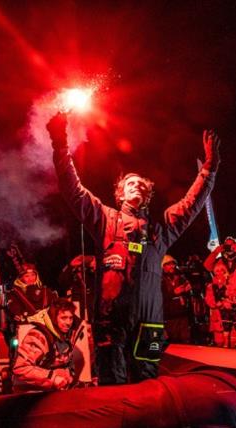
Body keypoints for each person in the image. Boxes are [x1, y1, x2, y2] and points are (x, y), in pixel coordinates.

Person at [47, 112, 219, 384]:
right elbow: (73, 189)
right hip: (111, 320)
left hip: (150, 323)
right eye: (130, 183)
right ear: (120, 194)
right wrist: (60, 142)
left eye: (141, 183)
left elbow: (191, 203)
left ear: (147, 195)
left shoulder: (160, 230)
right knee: (112, 381)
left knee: (149, 378)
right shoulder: (104, 219)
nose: (136, 184)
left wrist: (209, 169)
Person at [12, 298, 80, 392]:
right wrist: (53, 378)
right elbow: (21, 368)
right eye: (63, 318)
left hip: (53, 392)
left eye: (71, 318)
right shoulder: (38, 336)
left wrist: (69, 378)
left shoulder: (66, 336)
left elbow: (66, 363)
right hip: (32, 395)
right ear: (54, 318)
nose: (68, 322)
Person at [204, 261, 236, 347]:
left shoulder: (231, 283)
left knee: (233, 344)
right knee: (220, 344)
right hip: (218, 319)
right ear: (214, 272)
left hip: (232, 319)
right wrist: (220, 304)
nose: (220, 272)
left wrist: (233, 301)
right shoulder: (211, 286)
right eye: (217, 271)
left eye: (222, 270)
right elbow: (209, 300)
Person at [161, 255, 193, 343]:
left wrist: (188, 290)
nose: (172, 266)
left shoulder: (181, 277)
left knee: (185, 340)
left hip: (183, 313)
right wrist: (173, 293)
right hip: (170, 315)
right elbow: (159, 297)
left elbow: (189, 292)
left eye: (173, 264)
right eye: (168, 264)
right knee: (173, 341)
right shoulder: (160, 279)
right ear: (163, 266)